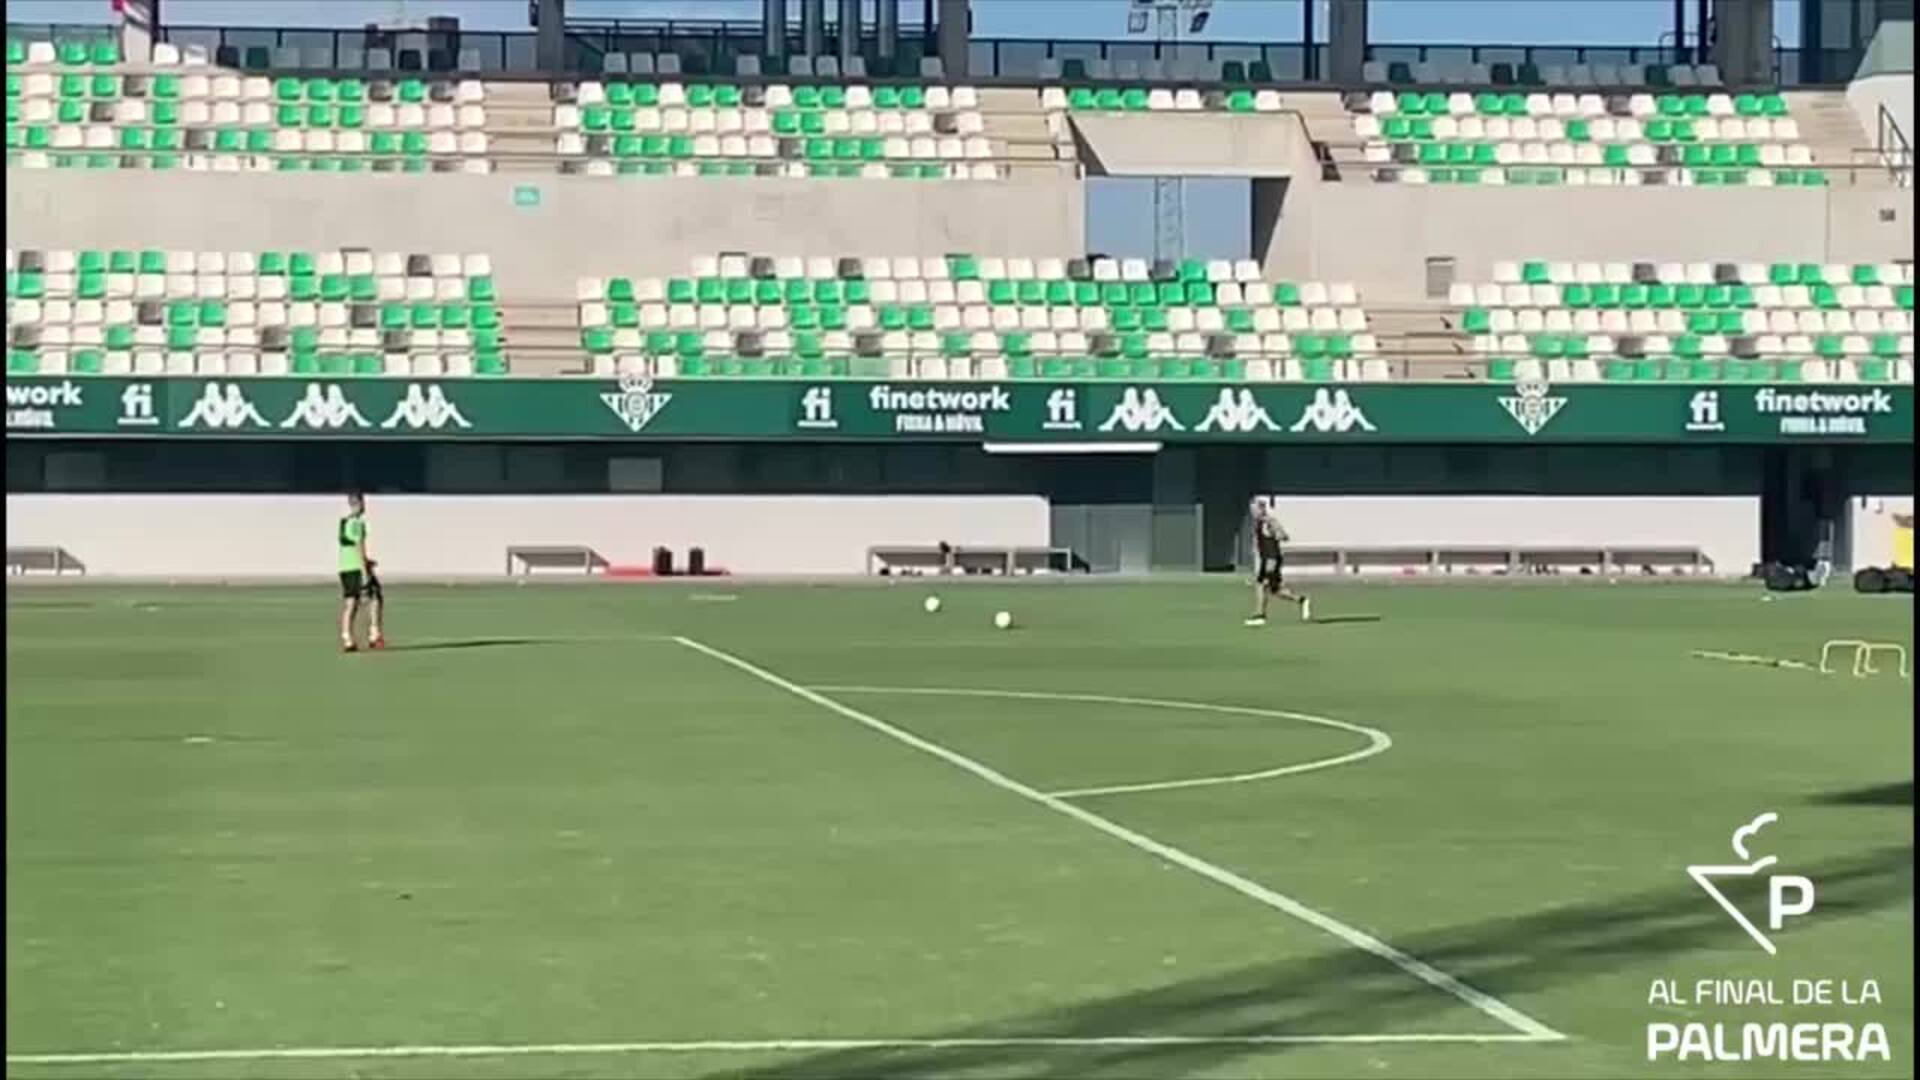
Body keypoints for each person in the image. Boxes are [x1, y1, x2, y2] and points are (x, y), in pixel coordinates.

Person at [1246, 496, 1310, 626]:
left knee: (1261, 585)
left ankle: (1260, 616)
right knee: (1275, 591)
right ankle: (1302, 600)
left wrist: (1278, 534)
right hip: (1266, 558)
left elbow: (1284, 536)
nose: (1253, 512)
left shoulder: (1270, 521)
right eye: (1252, 510)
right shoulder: (1258, 523)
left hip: (1272, 558)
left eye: (1255, 509)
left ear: (1261, 509)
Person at [338, 492, 386, 652]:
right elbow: (359, 545)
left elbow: (348, 546)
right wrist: (365, 568)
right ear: (359, 503)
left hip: (345, 567)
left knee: (351, 602)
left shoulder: (344, 523)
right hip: (357, 568)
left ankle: (347, 637)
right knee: (375, 597)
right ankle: (374, 634)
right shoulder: (357, 523)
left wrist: (366, 560)